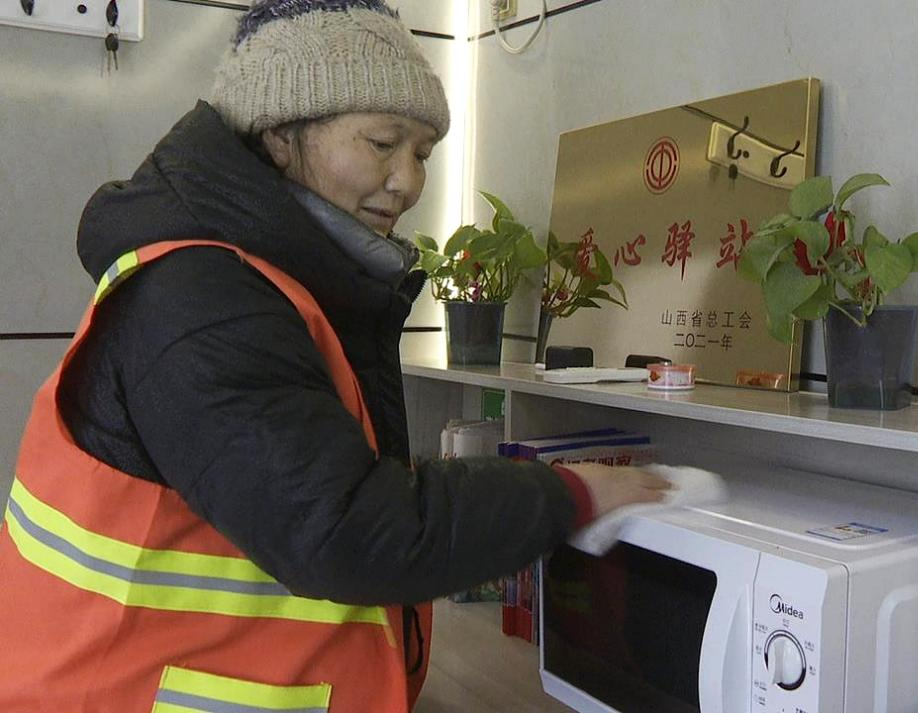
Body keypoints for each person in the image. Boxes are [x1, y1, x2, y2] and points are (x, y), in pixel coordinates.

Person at [0, 0, 669, 710]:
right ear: (280, 134)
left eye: (422, 153)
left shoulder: (278, 283)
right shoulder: (200, 298)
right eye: (382, 143)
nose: (408, 181)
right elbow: (343, 527)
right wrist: (569, 494)